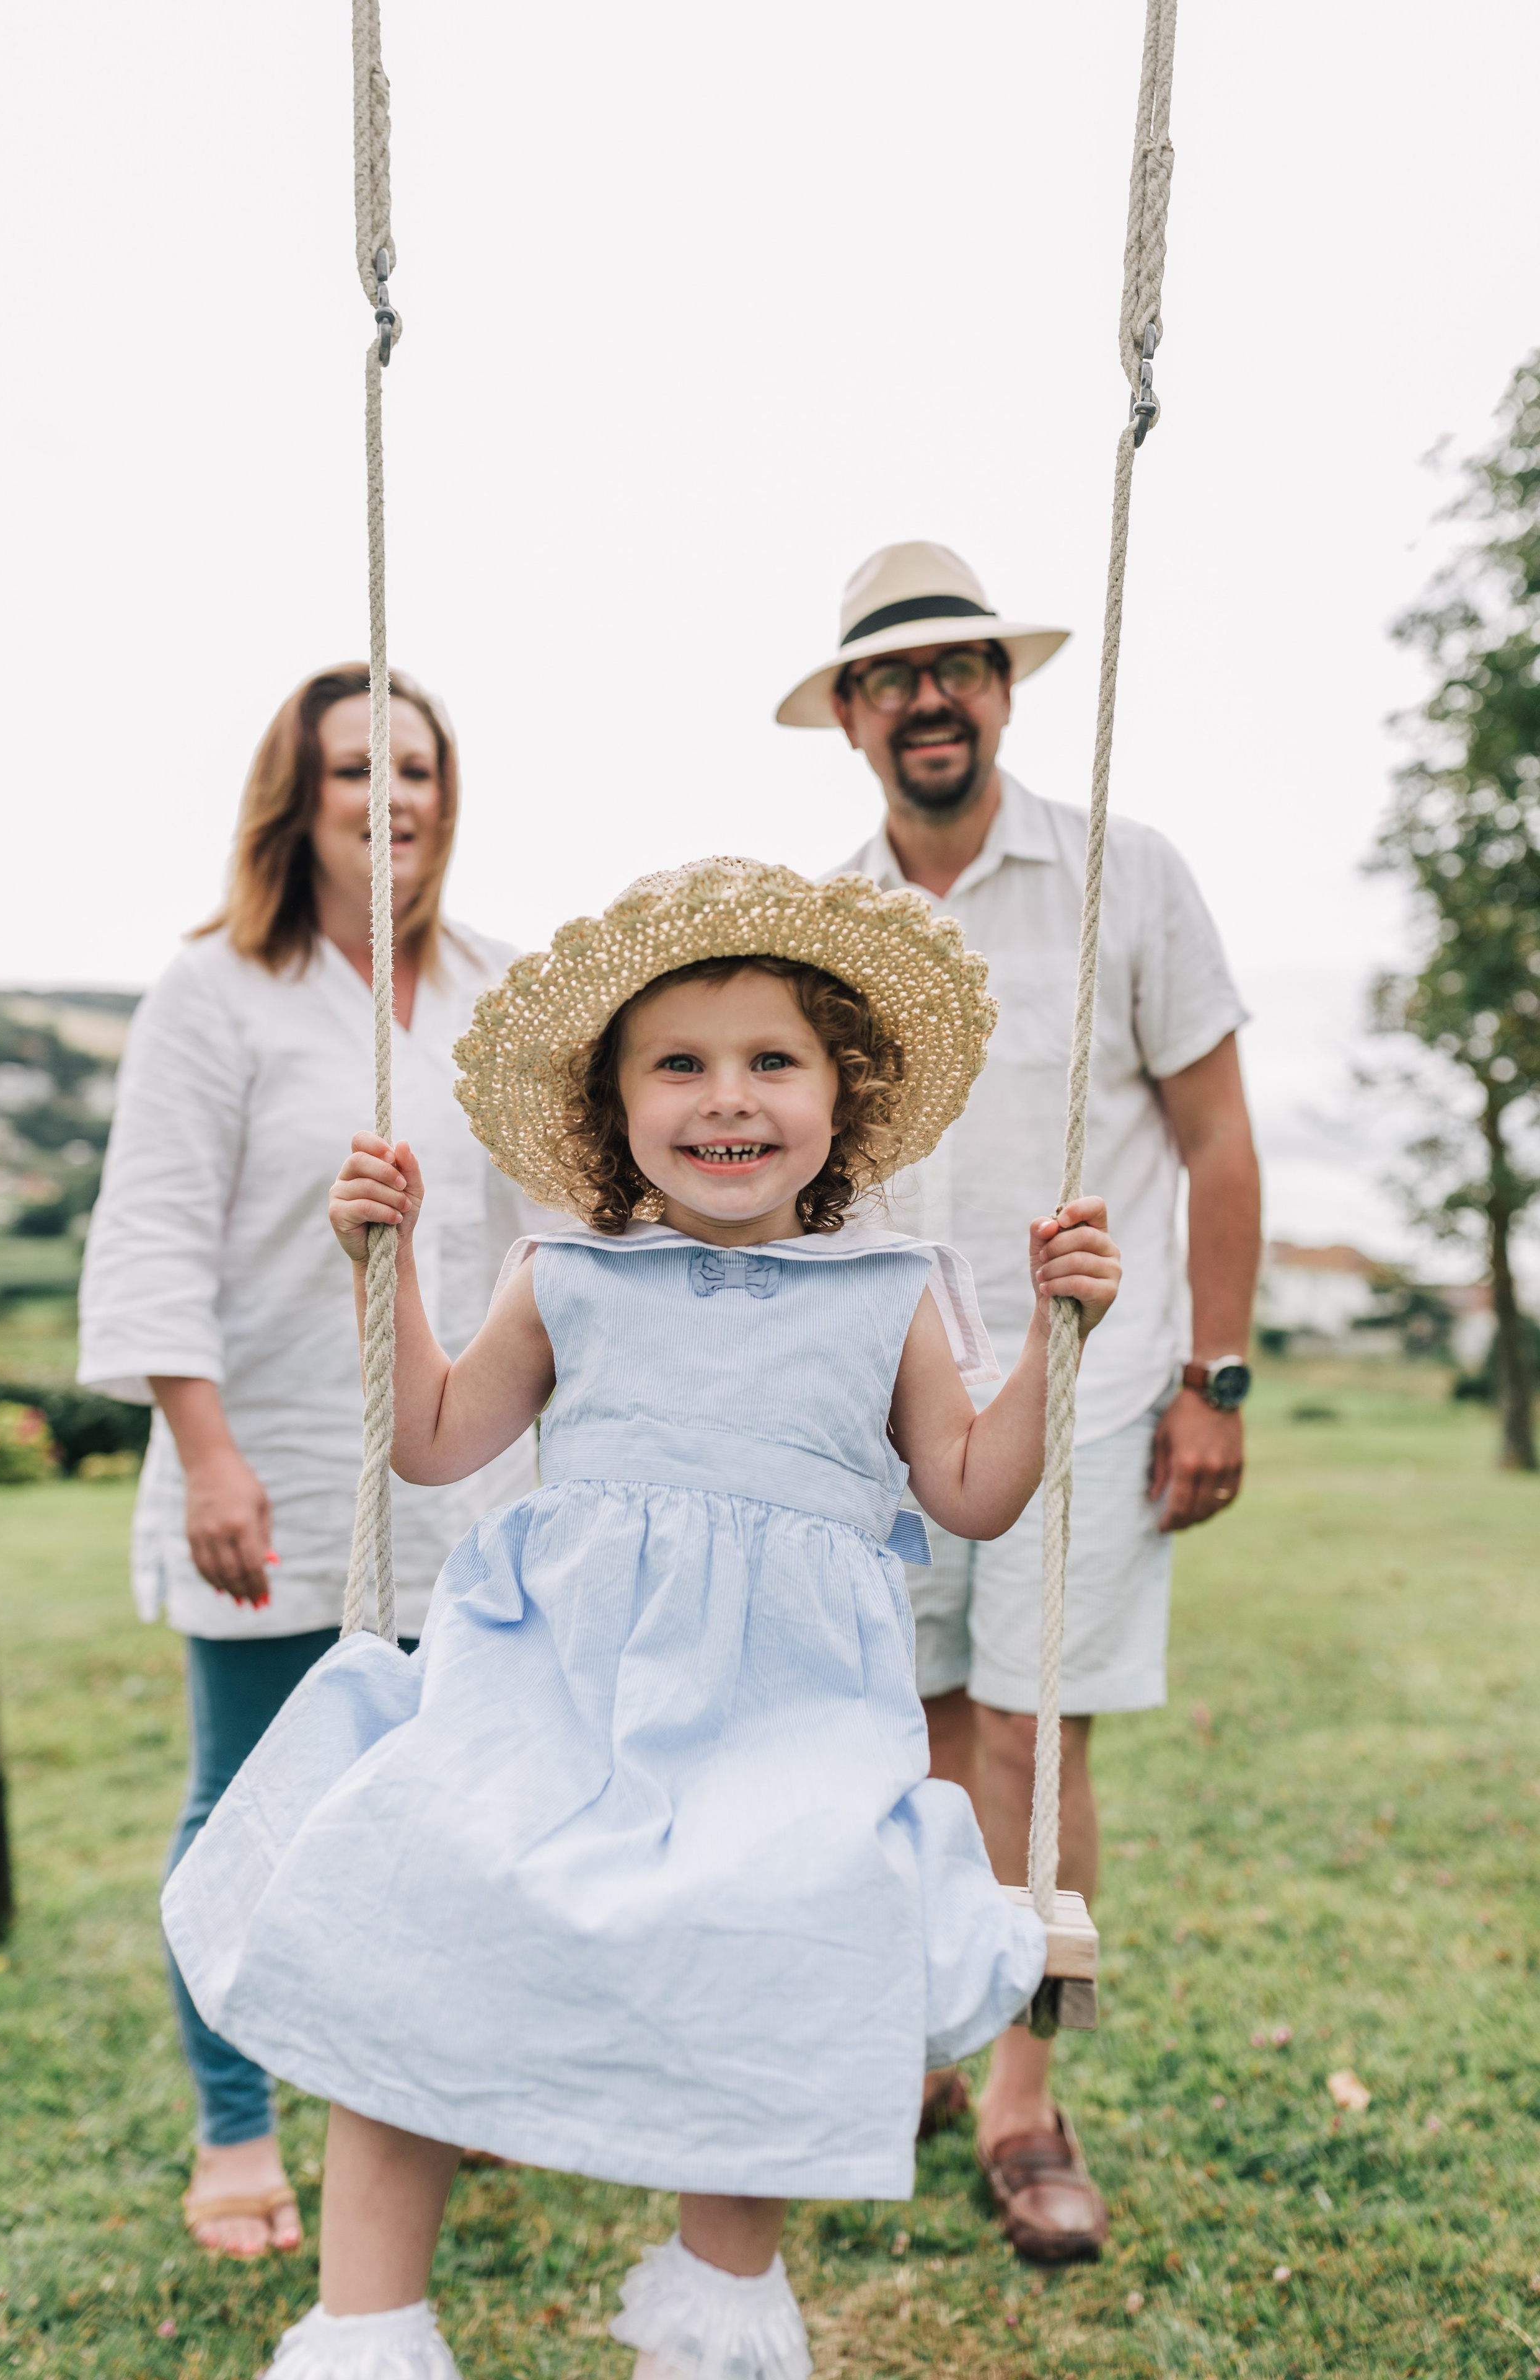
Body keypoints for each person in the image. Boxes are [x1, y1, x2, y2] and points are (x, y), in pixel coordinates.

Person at [161, 856, 1122, 2380]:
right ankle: (367, 2333)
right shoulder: (567, 1276)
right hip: (551, 1698)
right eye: (676, 1064)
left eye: (770, 1062)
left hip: (785, 1719)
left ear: (839, 1096)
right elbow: (428, 1439)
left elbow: (970, 1493)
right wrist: (387, 1267)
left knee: (777, 1924)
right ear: (614, 1106)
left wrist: (1056, 1347)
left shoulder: (890, 1292)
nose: (722, 1098)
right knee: (414, 1901)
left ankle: (712, 2313)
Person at [779, 542, 1261, 2263]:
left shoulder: (1130, 873)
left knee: (1028, 1736)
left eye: (959, 665)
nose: (930, 696)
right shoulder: (821, 923)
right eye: (893, 674)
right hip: (883, 1387)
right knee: (903, 1733)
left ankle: (1022, 2096)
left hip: (1096, 1374)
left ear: (1005, 688)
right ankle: (923, 2029)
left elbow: (1215, 1141)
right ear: (848, 713)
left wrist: (1218, 1376)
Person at [77, 664, 542, 2260]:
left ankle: (423, 2086)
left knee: (447, 1804)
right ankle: (233, 2129)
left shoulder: (496, 984)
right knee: (244, 1809)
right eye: (357, 770)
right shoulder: (216, 989)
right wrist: (204, 1457)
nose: (392, 798)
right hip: (265, 1454)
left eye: (417, 768)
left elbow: (535, 1231)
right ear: (300, 796)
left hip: (460, 1472)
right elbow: (149, 1240)